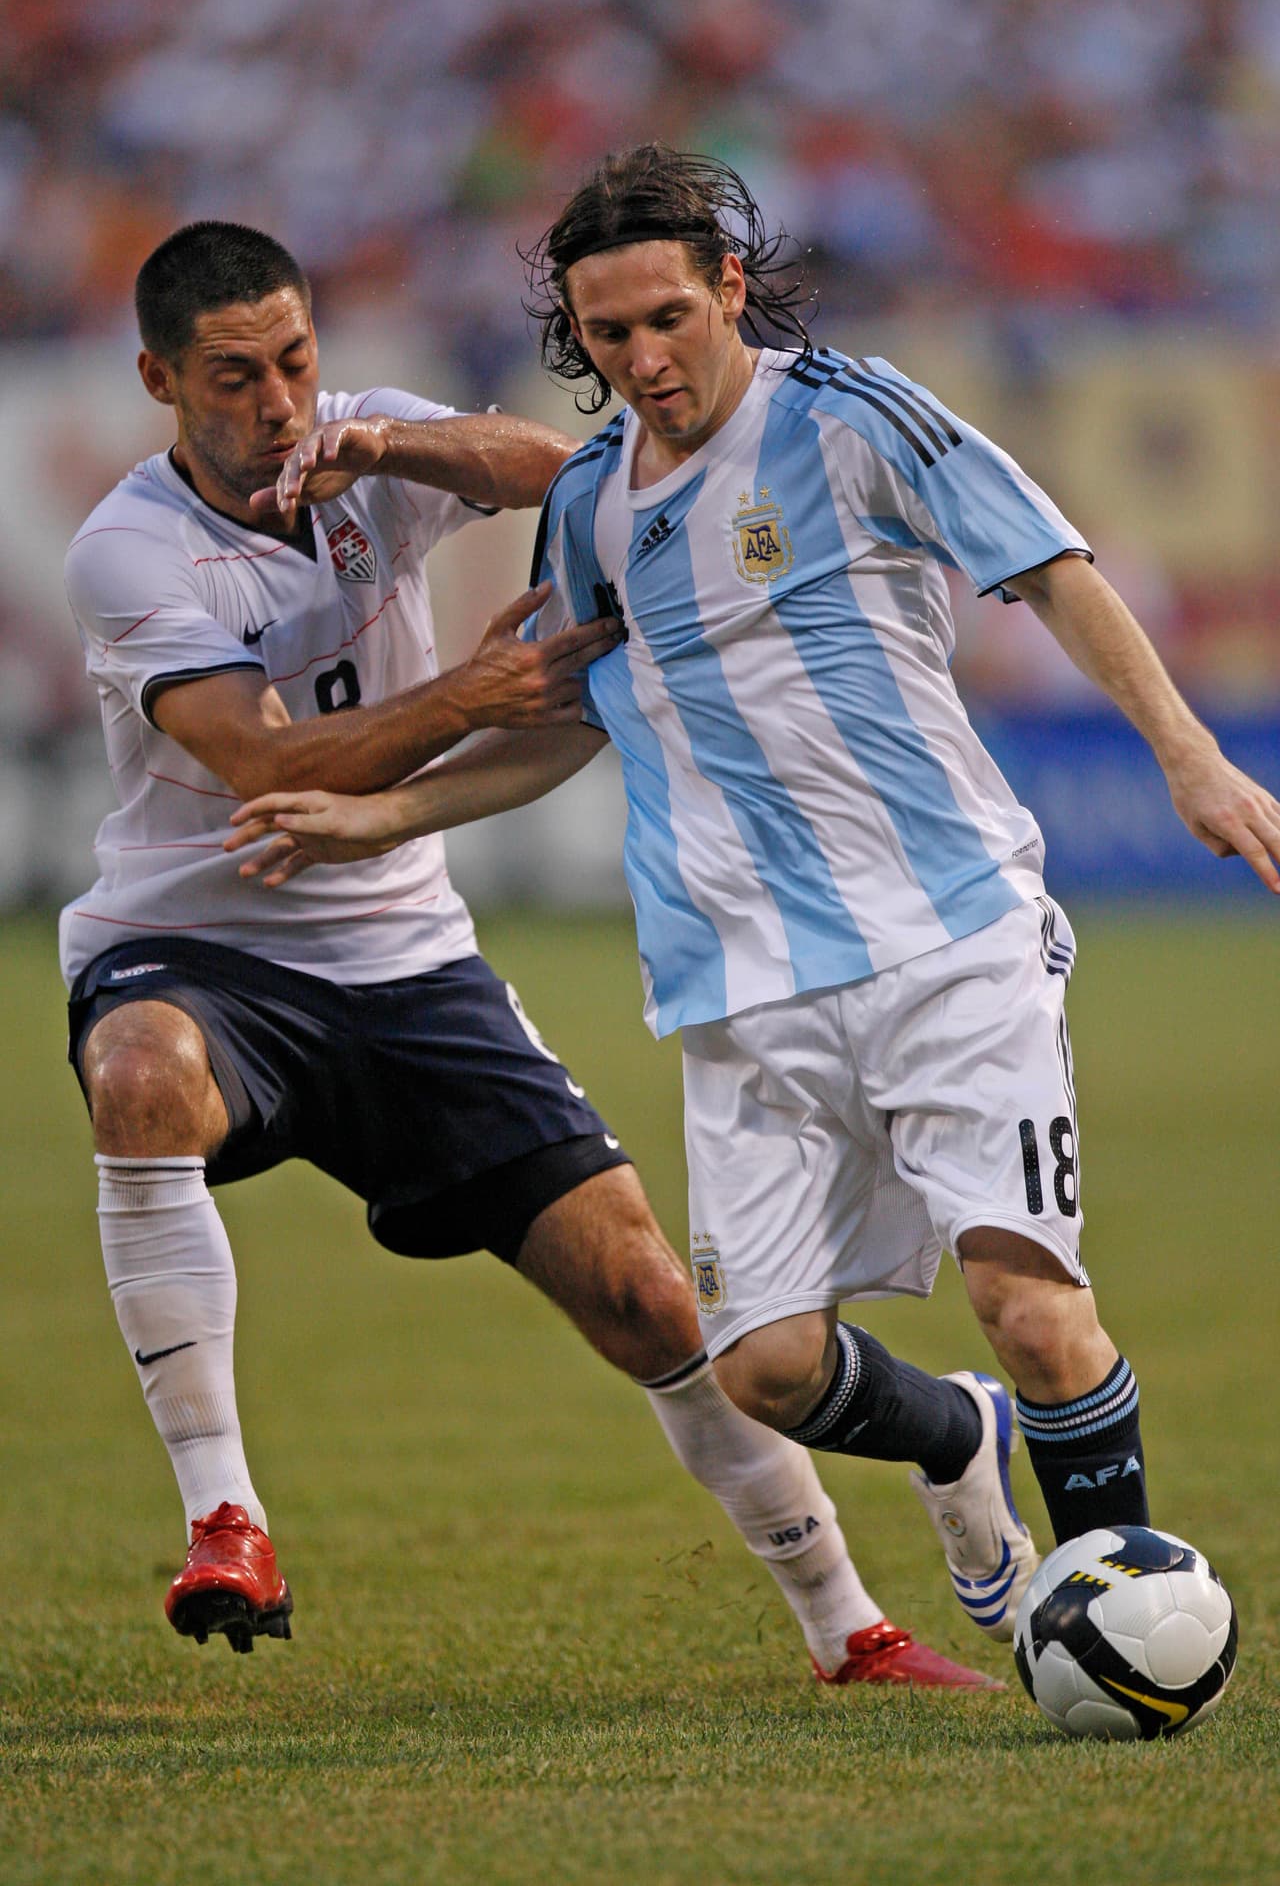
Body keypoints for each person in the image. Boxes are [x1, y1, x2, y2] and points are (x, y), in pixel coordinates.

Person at [229, 146, 1280, 1647]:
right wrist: (384, 813)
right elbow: (567, 726)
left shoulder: (852, 418)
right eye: (608, 336)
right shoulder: (588, 502)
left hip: (949, 937)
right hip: (739, 984)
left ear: (730, 286)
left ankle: (1122, 1614)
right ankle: (957, 1441)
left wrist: (1189, 758)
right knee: (768, 1369)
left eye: (669, 317)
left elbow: (1051, 567)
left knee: (1035, 1311)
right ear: (576, 340)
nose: (645, 360)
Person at [60, 219, 998, 1690]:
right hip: (198, 943)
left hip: (407, 959)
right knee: (136, 1074)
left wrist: (390, 450)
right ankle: (224, 1516)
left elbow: (569, 479)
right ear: (160, 382)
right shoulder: (128, 548)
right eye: (233, 376)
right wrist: (477, 691)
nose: (277, 402)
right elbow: (260, 763)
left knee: (647, 1299)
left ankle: (850, 1628)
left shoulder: (359, 445)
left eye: (295, 362)